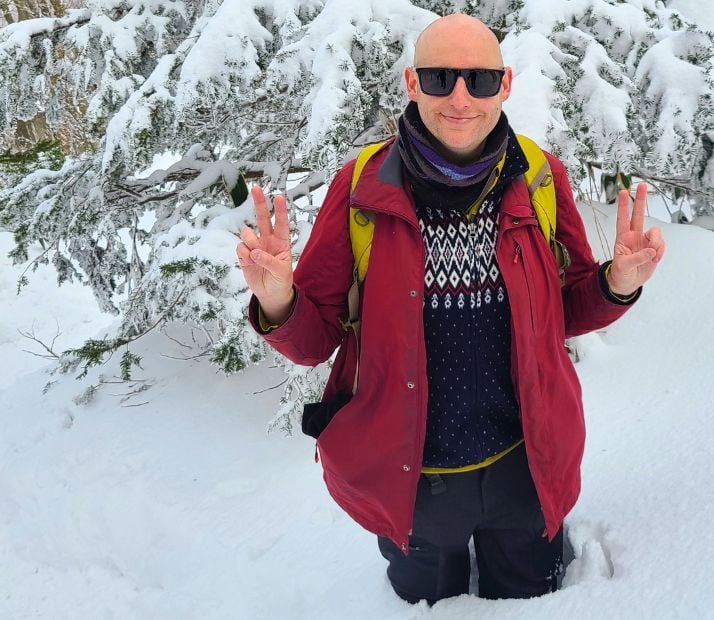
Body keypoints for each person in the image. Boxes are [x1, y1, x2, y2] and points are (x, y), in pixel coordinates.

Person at [236, 13, 665, 604]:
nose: (460, 97)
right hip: (412, 481)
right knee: (422, 605)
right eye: (440, 78)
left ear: (505, 85)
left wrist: (617, 283)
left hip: (524, 467)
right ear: (412, 84)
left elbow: (566, 308)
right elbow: (315, 341)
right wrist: (277, 297)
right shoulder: (363, 186)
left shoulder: (538, 177)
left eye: (479, 79)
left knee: (531, 599)